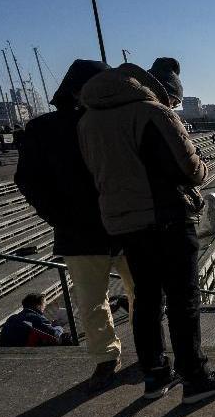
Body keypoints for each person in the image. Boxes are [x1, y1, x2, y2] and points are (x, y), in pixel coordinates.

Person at [78, 57, 215, 403]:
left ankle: (154, 374)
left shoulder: (89, 119)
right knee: (184, 300)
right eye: (177, 101)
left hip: (125, 223)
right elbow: (192, 171)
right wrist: (201, 159)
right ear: (167, 91)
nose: (175, 106)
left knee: (147, 300)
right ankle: (195, 376)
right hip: (166, 217)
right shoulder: (153, 113)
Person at [15, 60, 136, 391]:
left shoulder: (47, 128)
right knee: (126, 294)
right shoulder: (47, 129)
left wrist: (57, 216)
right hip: (115, 225)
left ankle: (109, 358)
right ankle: (119, 355)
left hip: (93, 228)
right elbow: (28, 180)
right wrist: (58, 216)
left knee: (95, 299)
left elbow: (28, 181)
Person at [0, 293, 67, 347]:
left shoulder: (12, 318)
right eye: (44, 304)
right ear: (38, 306)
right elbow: (56, 334)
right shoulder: (36, 317)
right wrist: (58, 326)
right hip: (23, 352)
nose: (45, 306)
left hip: (3, 350)